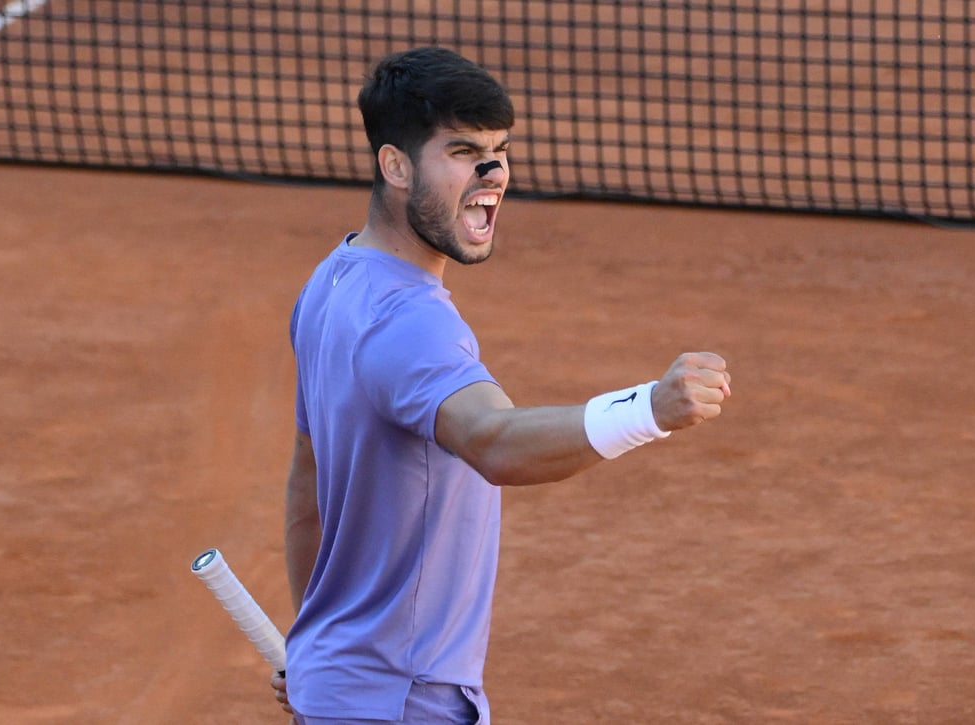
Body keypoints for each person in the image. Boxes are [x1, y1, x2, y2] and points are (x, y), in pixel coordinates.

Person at [272, 46, 731, 724]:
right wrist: (651, 408)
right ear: (395, 165)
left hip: (344, 686)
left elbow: (307, 487)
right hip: (407, 699)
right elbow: (493, 439)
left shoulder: (331, 281)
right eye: (462, 151)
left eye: (500, 149)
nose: (493, 172)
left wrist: (317, 646)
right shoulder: (412, 323)